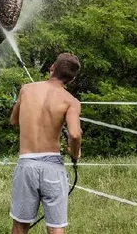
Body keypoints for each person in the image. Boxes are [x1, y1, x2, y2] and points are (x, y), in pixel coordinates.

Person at [9, 53, 82, 234]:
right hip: (52, 167)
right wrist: (75, 153)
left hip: (27, 164)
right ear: (71, 79)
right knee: (56, 227)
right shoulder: (71, 101)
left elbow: (13, 120)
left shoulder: (26, 89)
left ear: (52, 68)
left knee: (20, 226)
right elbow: (74, 133)